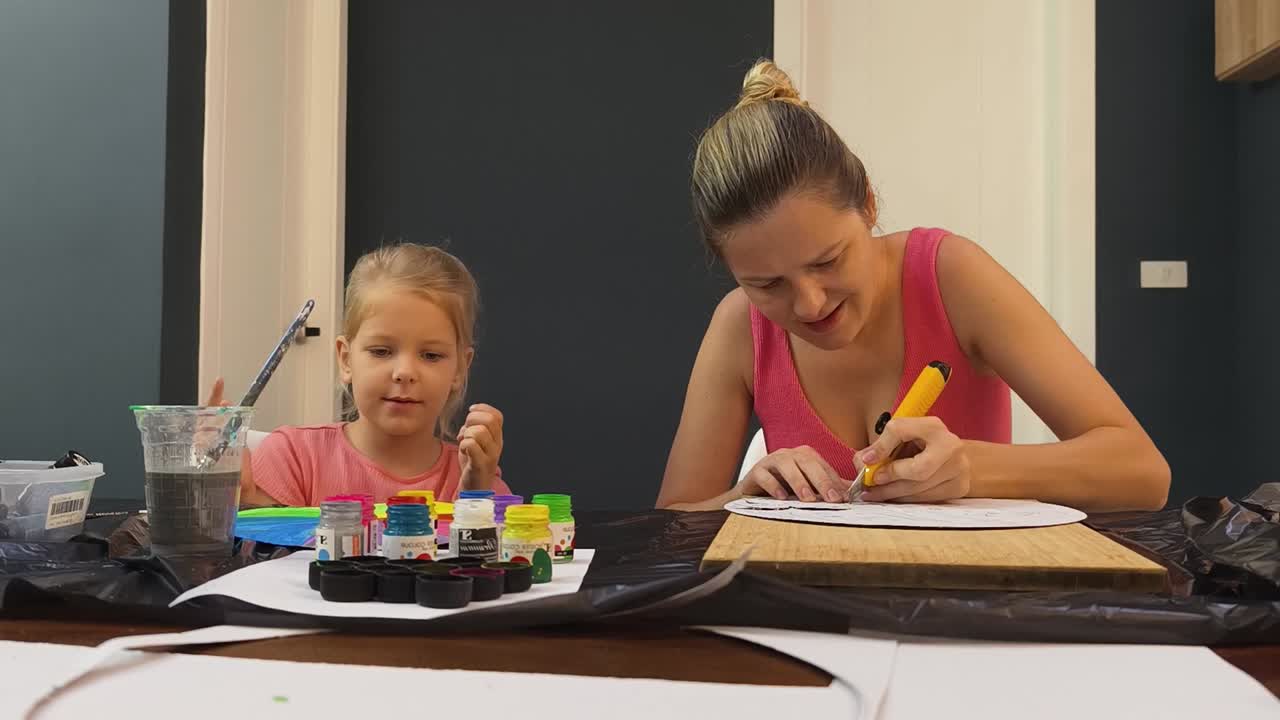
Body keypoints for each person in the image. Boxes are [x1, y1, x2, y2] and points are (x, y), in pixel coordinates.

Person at [656, 60, 1169, 513]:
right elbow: (670, 523)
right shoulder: (739, 326)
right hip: (808, 617)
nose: (809, 304)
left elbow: (1143, 473)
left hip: (963, 612)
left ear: (869, 206)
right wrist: (743, 499)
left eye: (829, 260)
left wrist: (971, 469)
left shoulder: (952, 277)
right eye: (767, 285)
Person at [208, 243, 509, 506]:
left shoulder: (476, 476)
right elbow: (257, 561)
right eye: (381, 351)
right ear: (345, 359)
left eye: (431, 355)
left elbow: (497, 567)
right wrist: (235, 499)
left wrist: (475, 497)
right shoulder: (294, 458)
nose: (404, 373)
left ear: (460, 367)